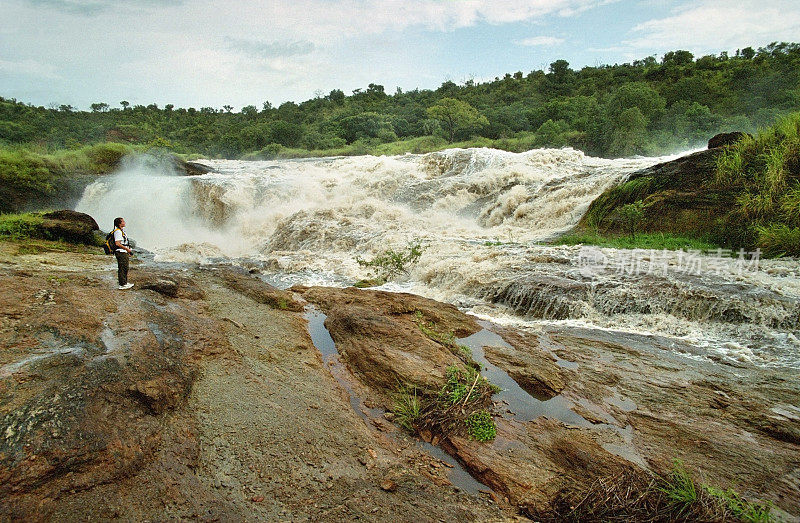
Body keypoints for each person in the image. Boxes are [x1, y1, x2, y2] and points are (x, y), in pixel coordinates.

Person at [112, 217, 134, 290]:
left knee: (125, 267)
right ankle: (122, 284)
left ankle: (124, 282)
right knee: (122, 268)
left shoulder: (121, 231)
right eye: (123, 221)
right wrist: (127, 249)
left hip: (123, 251)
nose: (124, 222)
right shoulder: (118, 231)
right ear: (119, 223)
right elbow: (117, 243)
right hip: (120, 252)